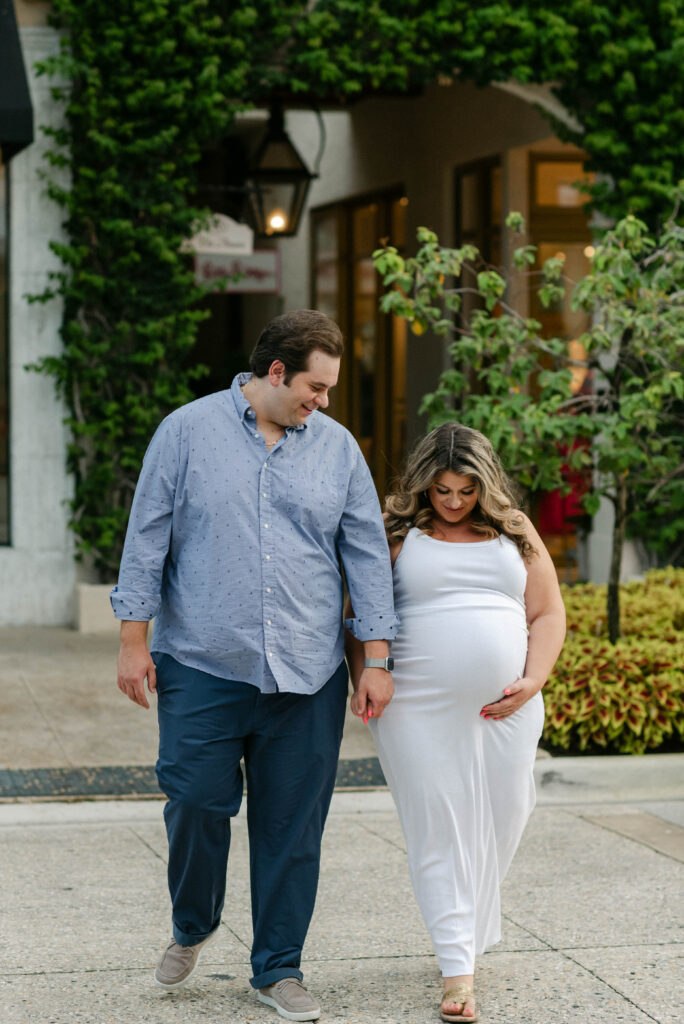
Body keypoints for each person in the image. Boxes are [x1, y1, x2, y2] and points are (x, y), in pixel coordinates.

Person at [112, 309, 398, 1022]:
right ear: (276, 373)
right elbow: (147, 535)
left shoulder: (337, 450)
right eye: (316, 386)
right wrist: (130, 639)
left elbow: (365, 554)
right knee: (197, 802)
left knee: (292, 828)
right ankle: (194, 921)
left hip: (308, 673)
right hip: (203, 662)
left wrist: (377, 657)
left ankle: (278, 968)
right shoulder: (186, 431)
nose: (324, 402)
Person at [345, 423, 566, 1023]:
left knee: (507, 813)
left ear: (485, 484)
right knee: (439, 825)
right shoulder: (397, 534)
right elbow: (359, 613)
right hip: (414, 702)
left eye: (466, 490)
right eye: (441, 489)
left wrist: (534, 679)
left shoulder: (515, 531)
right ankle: (457, 970)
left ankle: (463, 930)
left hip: (509, 704)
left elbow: (546, 612)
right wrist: (367, 672)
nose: (452, 502)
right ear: (423, 483)